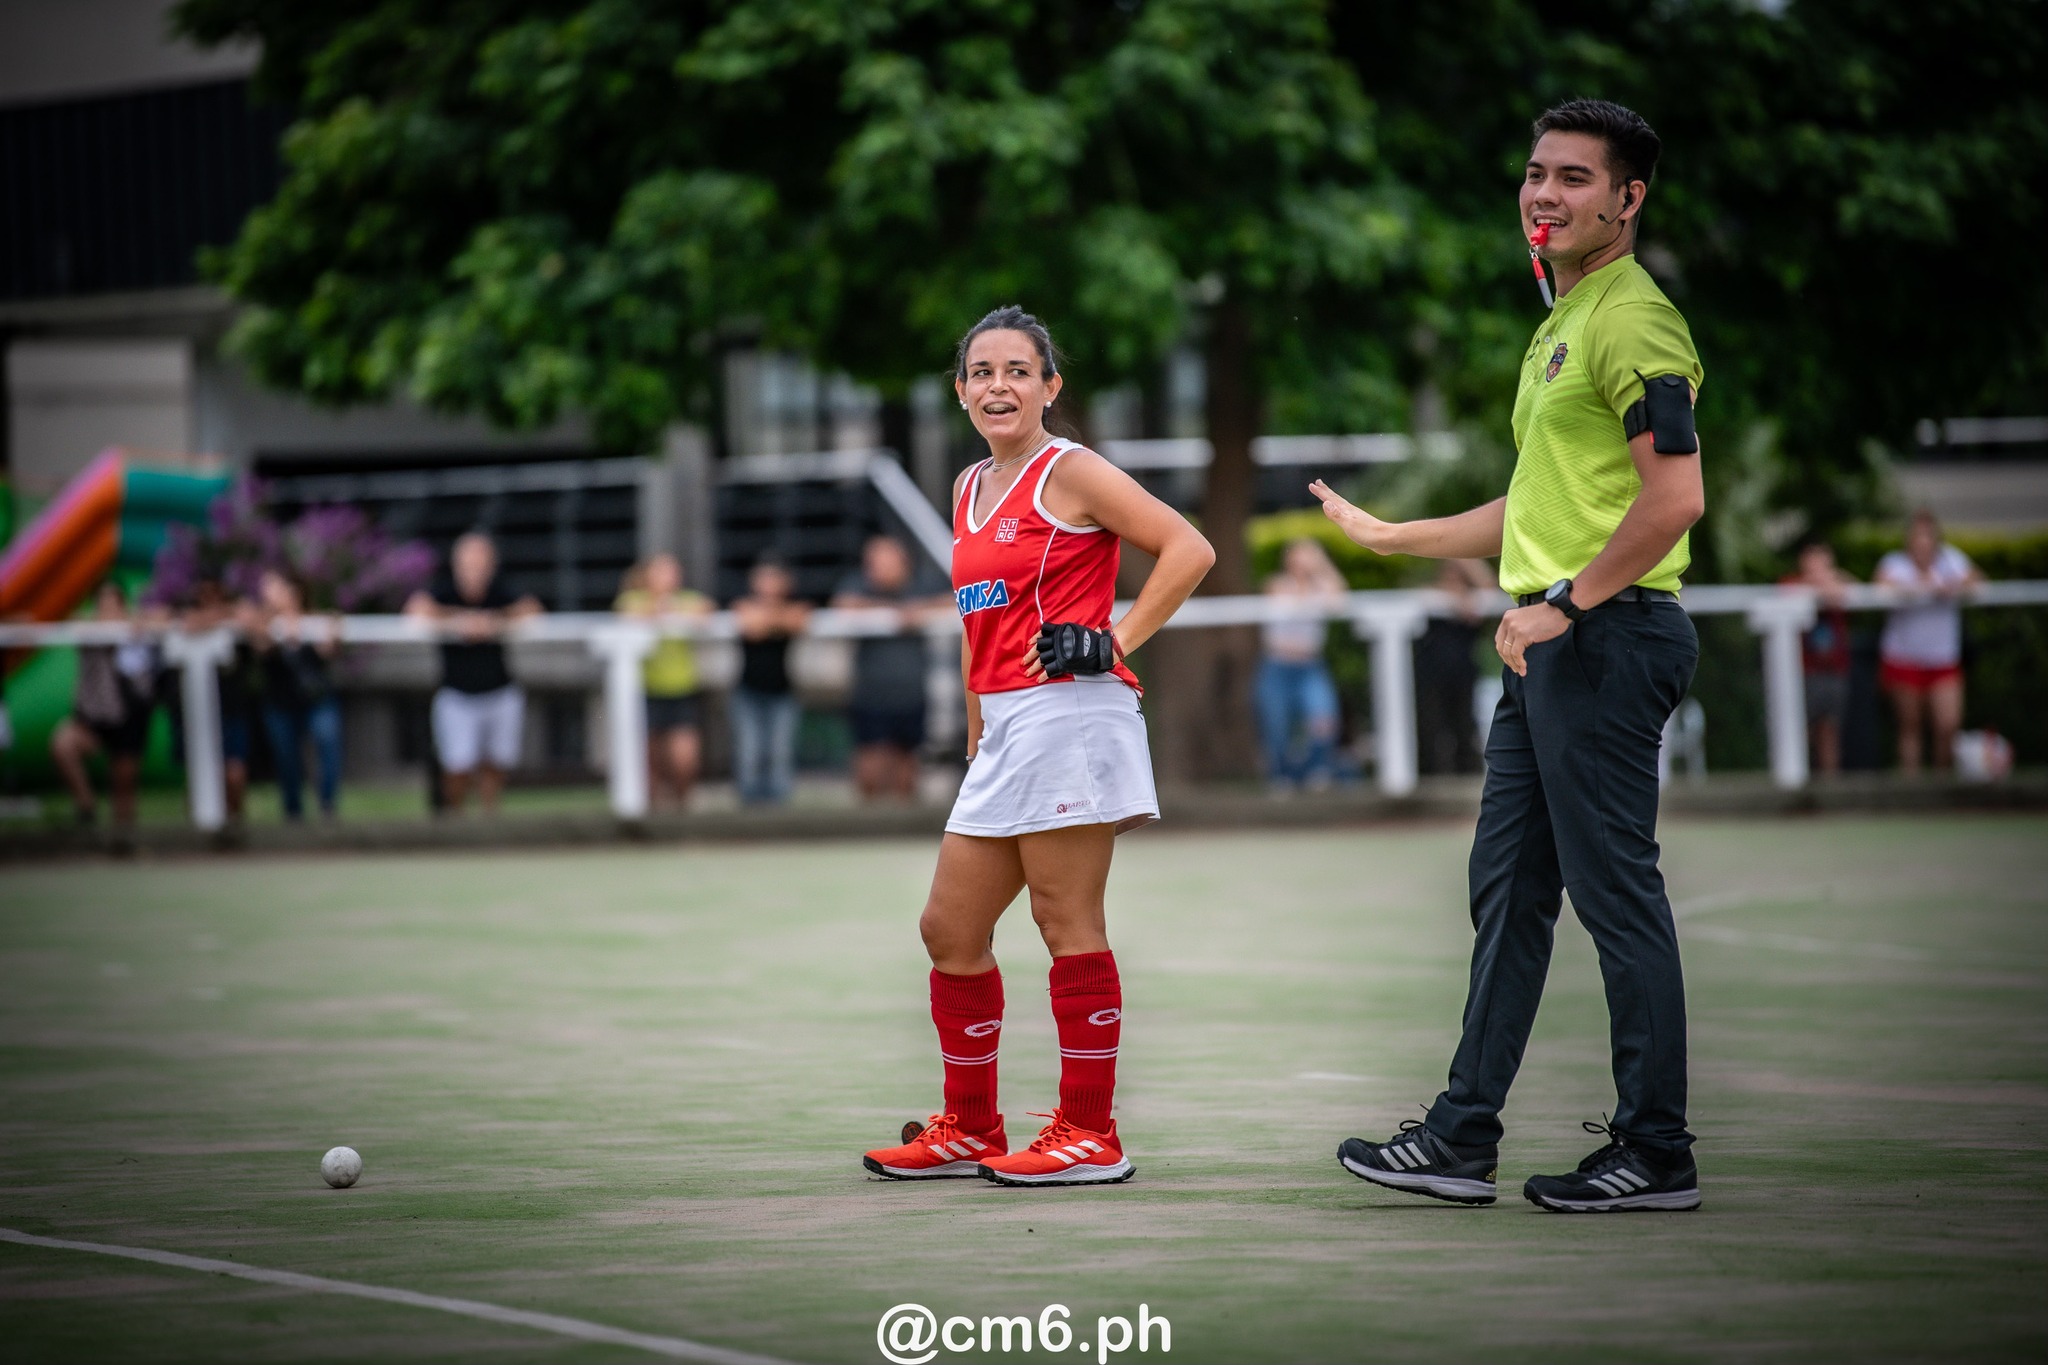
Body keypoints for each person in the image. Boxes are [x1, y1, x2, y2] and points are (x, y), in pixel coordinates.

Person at [1312, 100, 1707, 1212]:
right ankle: (1460, 1135)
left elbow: (1674, 498)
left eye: (1575, 178)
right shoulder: (1561, 323)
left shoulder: (1634, 321)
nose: (1544, 193)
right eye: (1536, 173)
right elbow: (1538, 501)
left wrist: (1566, 605)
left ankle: (1656, 1151)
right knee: (1509, 893)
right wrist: (1396, 538)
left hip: (1603, 639)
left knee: (1614, 895)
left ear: (1627, 200)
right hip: (1555, 643)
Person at [860, 306, 1212, 1187]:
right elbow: (977, 626)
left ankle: (1090, 1133)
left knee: (1065, 919)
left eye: (1018, 371)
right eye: (981, 372)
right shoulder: (966, 486)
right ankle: (972, 1128)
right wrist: (978, 729)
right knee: (950, 926)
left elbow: (1189, 548)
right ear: (960, 392)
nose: (999, 386)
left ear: (1050, 387)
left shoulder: (1073, 470)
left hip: (1073, 715)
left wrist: (1115, 637)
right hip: (1007, 727)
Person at [404, 532, 542, 815]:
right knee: (458, 764)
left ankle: (489, 817)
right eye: (469, 565)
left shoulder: (500, 591)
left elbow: (533, 610)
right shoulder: (444, 591)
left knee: (496, 762)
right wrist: (458, 622)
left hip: (499, 690)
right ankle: (457, 819)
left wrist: (494, 622)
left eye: (481, 565)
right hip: (457, 693)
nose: (475, 572)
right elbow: (415, 610)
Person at [832, 534, 951, 802]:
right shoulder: (858, 585)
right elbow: (843, 605)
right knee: (871, 768)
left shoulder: (922, 585)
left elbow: (954, 600)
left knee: (907, 769)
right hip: (871, 695)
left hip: (911, 695)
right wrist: (895, 613)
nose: (880, 569)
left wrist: (919, 612)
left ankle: (903, 822)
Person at [1875, 510, 1983, 774]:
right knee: (1910, 726)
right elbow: (1881, 586)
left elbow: (1976, 580)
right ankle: (1912, 788)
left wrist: (1951, 586)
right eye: (1917, 537)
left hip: (1943, 658)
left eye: (1927, 537)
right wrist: (1917, 588)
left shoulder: (1951, 560)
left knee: (1948, 724)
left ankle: (1941, 783)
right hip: (1903, 657)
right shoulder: (1895, 563)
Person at [51, 580, 155, 829]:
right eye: (103, 606)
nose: (108, 612)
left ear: (123, 608)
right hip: (95, 717)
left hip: (129, 718)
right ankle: (86, 804)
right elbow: (70, 620)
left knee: (124, 785)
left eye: (113, 605)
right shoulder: (89, 634)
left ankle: (124, 836)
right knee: (63, 745)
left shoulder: (137, 632)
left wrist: (139, 627)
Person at [616, 553, 713, 809]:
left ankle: (682, 810)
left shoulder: (686, 599)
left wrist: (670, 610)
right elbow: (627, 613)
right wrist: (658, 610)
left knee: (684, 761)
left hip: (681, 690)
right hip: (646, 691)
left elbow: (705, 610)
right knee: (649, 764)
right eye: (662, 572)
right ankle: (653, 818)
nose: (669, 577)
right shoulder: (634, 599)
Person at [1255, 537, 1347, 792]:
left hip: (1310, 666)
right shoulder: (1277, 584)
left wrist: (1321, 565)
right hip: (1278, 665)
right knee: (1277, 725)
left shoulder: (1322, 587)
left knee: (1323, 718)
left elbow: (1340, 600)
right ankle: (1281, 776)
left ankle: (1315, 769)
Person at [251, 569, 343, 820]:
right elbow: (259, 646)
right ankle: (293, 813)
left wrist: (325, 633)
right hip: (280, 701)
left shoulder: (316, 620)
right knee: (287, 758)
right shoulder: (263, 621)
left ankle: (327, 806)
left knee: (327, 744)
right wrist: (276, 628)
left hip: (316, 698)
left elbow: (329, 651)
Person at [730, 556, 812, 805]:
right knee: (749, 753)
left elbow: (798, 621)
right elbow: (751, 628)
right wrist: (776, 621)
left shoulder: (795, 606)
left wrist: (768, 618)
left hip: (782, 692)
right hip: (748, 691)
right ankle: (749, 809)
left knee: (780, 753)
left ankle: (779, 812)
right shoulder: (742, 604)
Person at [1779, 539, 1857, 777]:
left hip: (1833, 672)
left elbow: (1853, 590)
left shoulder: (1839, 583)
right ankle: (1799, 783)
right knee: (1800, 731)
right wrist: (1817, 585)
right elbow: (1786, 594)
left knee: (1830, 732)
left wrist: (1829, 582)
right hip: (1802, 673)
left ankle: (1830, 786)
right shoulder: (1791, 584)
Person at [1414, 559, 1497, 776]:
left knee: (1464, 724)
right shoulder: (1431, 597)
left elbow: (1488, 586)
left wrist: (1464, 557)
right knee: (1431, 725)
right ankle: (1431, 775)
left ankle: (1466, 773)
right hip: (1431, 673)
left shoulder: (1475, 601)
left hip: (1463, 671)